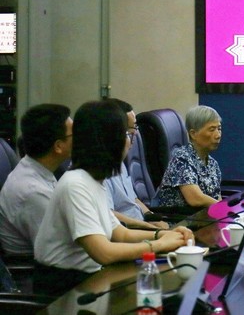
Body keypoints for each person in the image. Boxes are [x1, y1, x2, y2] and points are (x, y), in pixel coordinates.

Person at [33, 100, 192, 296]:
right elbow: (104, 253)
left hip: (91, 280)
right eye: (126, 135)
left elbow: (120, 234)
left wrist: (165, 234)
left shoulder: (93, 179)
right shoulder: (75, 185)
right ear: (108, 141)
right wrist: (160, 245)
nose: (130, 141)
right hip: (66, 291)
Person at [0, 104, 73, 255]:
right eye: (74, 134)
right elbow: (60, 252)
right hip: (35, 268)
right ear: (58, 146)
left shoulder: (40, 169)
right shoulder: (33, 192)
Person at [103, 99, 169, 231]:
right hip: (129, 231)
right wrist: (150, 228)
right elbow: (108, 215)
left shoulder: (120, 164)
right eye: (130, 130)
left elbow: (133, 199)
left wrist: (152, 217)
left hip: (142, 226)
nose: (135, 133)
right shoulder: (99, 170)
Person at [156, 105, 222, 208]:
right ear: (193, 134)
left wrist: (226, 212)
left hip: (204, 216)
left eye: (219, 129)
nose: (218, 135)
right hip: (179, 217)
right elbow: (195, 199)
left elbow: (217, 198)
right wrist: (224, 208)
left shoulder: (213, 164)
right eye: (212, 129)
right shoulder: (181, 159)